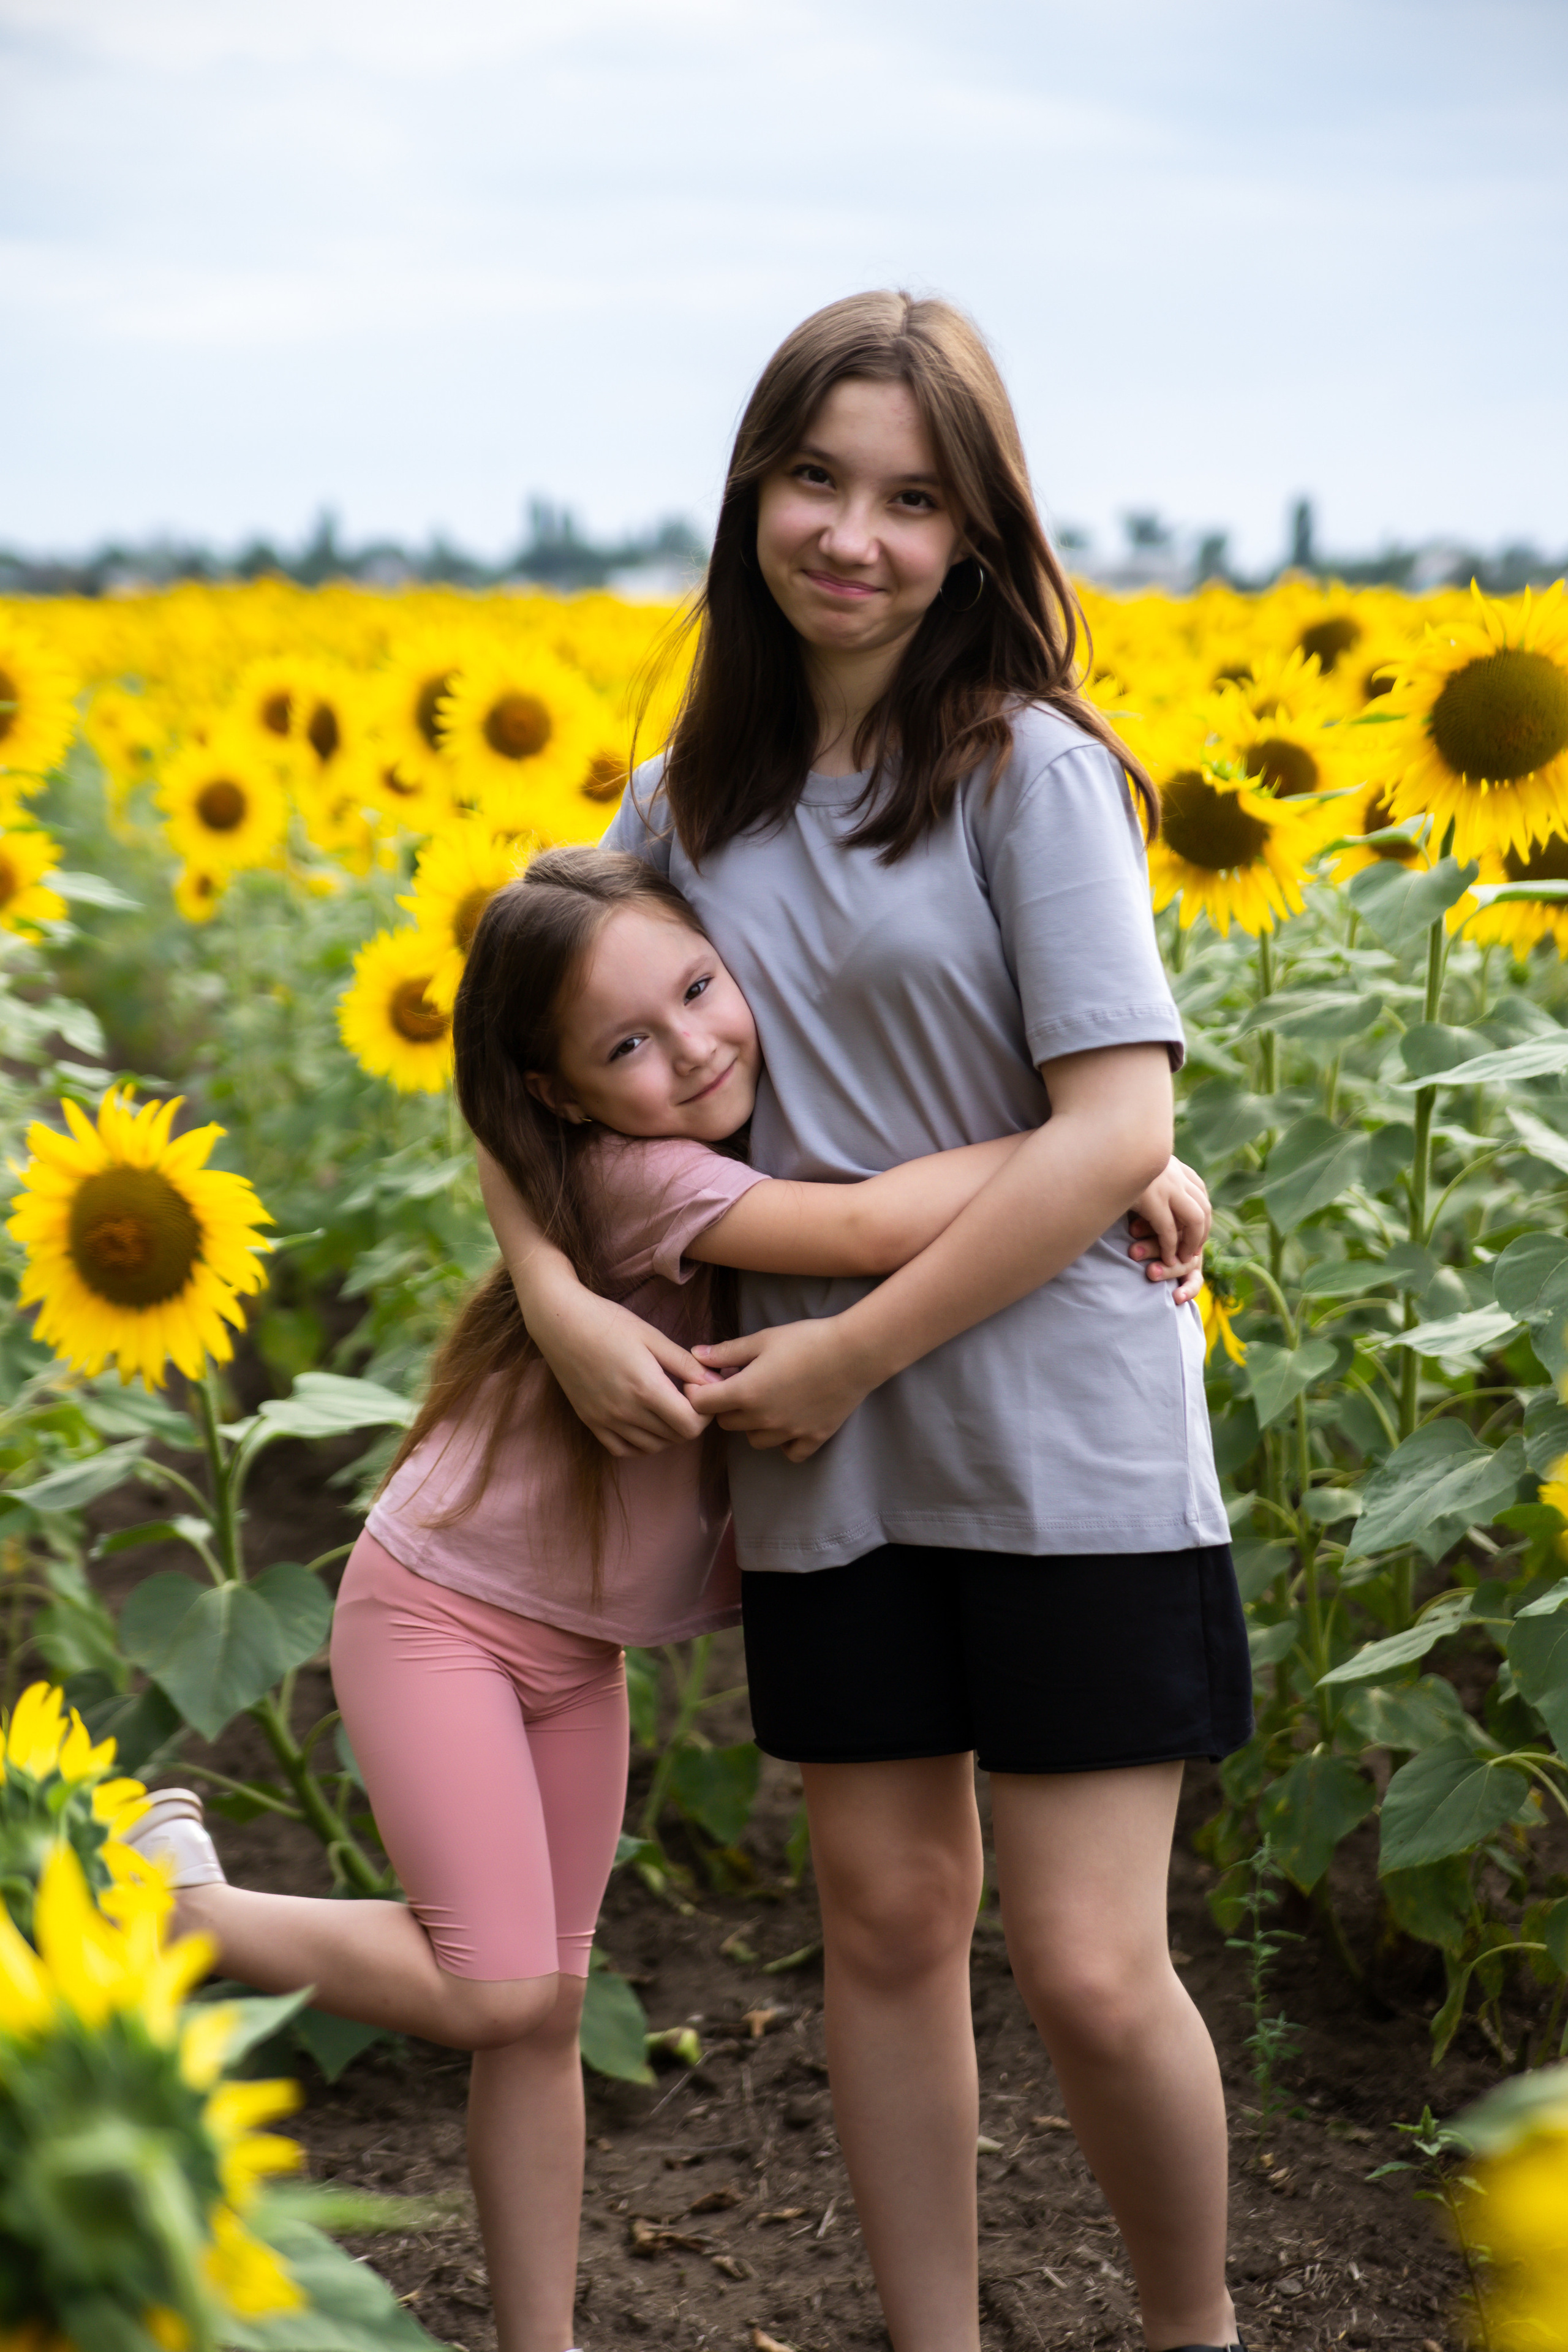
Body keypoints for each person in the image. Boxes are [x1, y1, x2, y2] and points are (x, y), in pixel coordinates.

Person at [125, 846, 1203, 2352]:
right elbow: (867, 1229)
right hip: (442, 1616)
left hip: (575, 1654)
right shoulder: (642, 1179)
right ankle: (173, 1903)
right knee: (498, 1991)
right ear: (561, 1097)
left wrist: (1101, 1156)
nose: (691, 1047)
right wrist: (1097, 1152)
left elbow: (850, 1188)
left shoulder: (719, 1141)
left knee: (544, 2016)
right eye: (628, 1044)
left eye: (699, 989)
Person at [480, 292, 1251, 2352]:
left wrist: (842, 1347)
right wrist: (558, 1298)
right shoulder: (678, 807)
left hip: (1052, 1431)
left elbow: (1115, 1134)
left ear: (976, 531)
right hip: (825, 1463)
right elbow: (514, 1068)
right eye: (817, 480)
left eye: (913, 499)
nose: (854, 535)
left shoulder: (1028, 773)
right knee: (889, 1923)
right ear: (753, 491)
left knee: (1091, 1965)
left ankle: (1196, 2331)